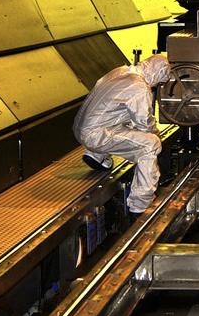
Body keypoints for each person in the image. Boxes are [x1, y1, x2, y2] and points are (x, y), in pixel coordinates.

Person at [73, 54, 171, 214]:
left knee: (122, 116)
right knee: (150, 145)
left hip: (81, 127)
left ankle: (96, 155)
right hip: (95, 135)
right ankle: (140, 204)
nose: (156, 85)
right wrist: (156, 134)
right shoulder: (139, 87)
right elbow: (144, 121)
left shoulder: (120, 71)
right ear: (157, 73)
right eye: (159, 82)